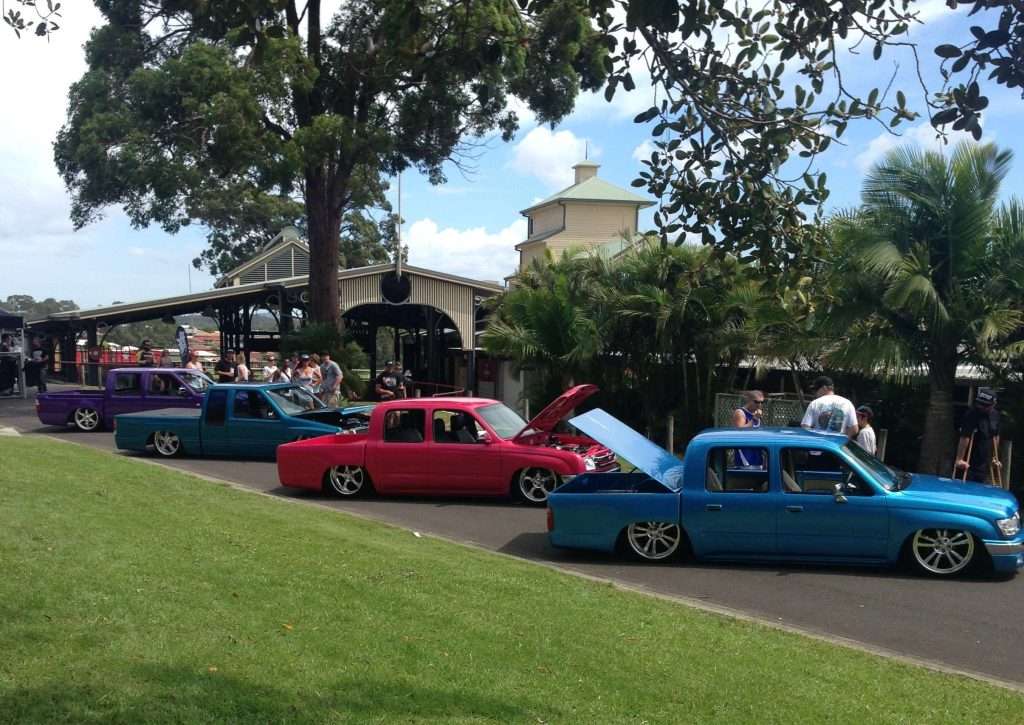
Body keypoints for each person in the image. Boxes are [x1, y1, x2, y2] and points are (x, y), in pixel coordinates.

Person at [955, 388, 1001, 484]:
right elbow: (965, 436)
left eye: (986, 405)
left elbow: (996, 436)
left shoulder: (995, 415)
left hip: (985, 461)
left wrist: (994, 457)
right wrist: (959, 459)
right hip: (969, 462)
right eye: (980, 404)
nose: (982, 407)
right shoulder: (971, 414)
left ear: (994, 404)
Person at [731, 390, 765, 468]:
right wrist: (754, 419)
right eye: (756, 402)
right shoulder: (740, 413)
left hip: (756, 452)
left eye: (762, 402)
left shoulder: (756, 413)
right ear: (749, 400)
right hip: (745, 453)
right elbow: (740, 432)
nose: (759, 405)